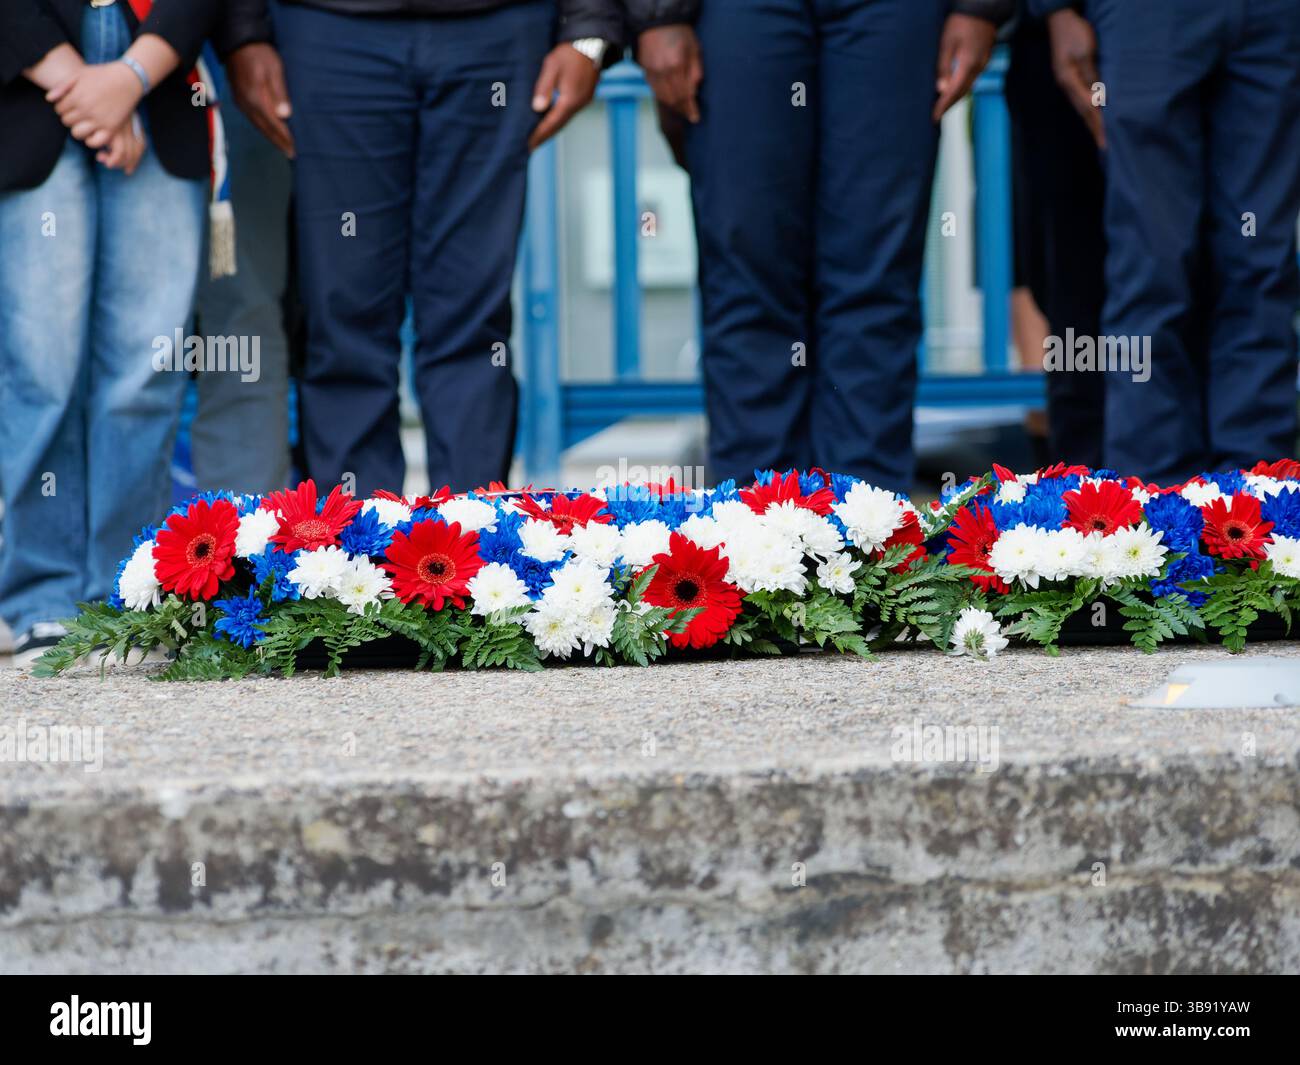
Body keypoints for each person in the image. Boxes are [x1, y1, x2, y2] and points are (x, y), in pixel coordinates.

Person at [219, 0, 626, 498]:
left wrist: (588, 31)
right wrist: (243, 31)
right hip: (328, 28)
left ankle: (477, 553)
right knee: (341, 313)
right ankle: (349, 558)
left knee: (473, 316)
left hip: (498, 30)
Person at [626, 0, 1015, 495]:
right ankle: (753, 537)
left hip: (893, 16)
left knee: (876, 275)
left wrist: (980, 6)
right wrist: (658, 14)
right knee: (747, 268)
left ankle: (867, 543)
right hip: (733, 13)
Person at [0, 0, 221, 663]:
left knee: (146, 366)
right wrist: (80, 83)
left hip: (161, 75)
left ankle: (131, 593)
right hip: (29, 77)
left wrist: (128, 76)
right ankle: (44, 597)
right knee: (41, 366)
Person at [1037, 0, 1300, 482]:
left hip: (1274, 16)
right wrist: (1057, 7)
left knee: (1263, 262)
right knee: (1150, 264)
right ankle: (1155, 508)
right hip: (1147, 16)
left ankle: (1262, 506)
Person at [1005, 0, 1105, 468]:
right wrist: (1057, 8)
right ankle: (1074, 478)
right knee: (1064, 281)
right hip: (1051, 40)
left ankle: (1219, 495)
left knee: (1166, 275)